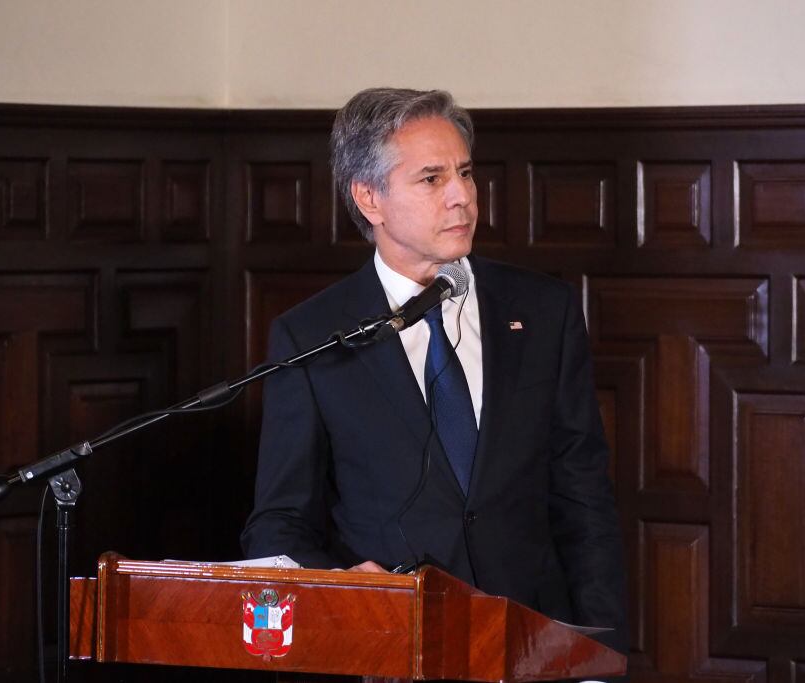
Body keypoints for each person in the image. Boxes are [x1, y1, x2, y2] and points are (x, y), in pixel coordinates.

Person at [241, 87, 628, 656]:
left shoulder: (544, 310)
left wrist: (599, 653)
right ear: (369, 198)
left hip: (531, 643)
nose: (462, 198)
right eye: (431, 179)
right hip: (391, 646)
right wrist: (347, 581)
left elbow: (583, 494)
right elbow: (276, 526)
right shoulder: (311, 337)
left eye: (466, 173)